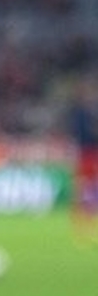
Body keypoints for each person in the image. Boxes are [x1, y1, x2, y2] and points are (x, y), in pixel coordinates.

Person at [67, 77, 98, 243]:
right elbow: (85, 135)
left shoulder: (85, 113)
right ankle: (82, 223)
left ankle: (86, 223)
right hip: (87, 154)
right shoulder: (82, 114)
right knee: (86, 188)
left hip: (88, 154)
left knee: (88, 188)